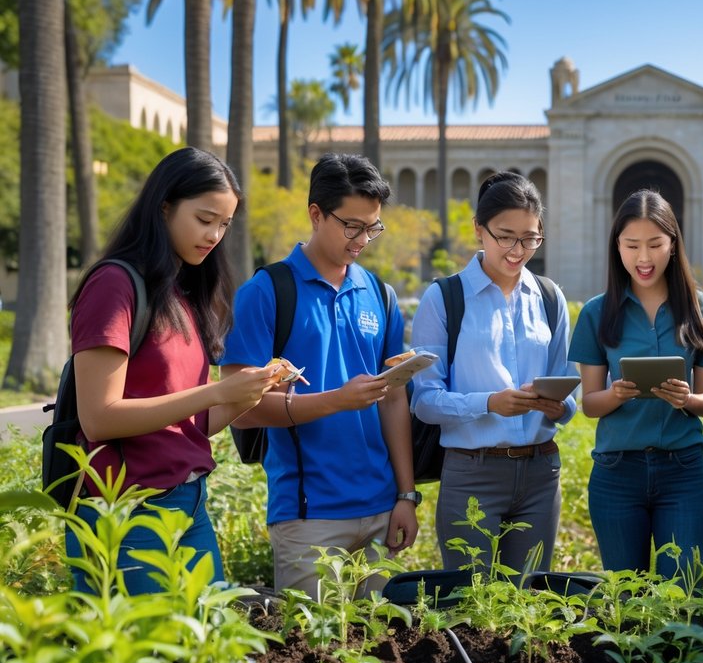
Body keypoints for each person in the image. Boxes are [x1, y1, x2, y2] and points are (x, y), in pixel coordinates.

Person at [66, 147, 279, 594]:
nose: (215, 235)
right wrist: (216, 393)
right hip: (125, 510)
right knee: (143, 659)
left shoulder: (181, 292)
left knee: (204, 653)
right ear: (164, 207)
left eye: (224, 224)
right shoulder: (114, 285)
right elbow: (99, 417)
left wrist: (245, 396)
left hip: (189, 501)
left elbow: (191, 426)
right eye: (204, 220)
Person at [221, 153, 417, 598]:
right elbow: (237, 410)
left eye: (373, 227)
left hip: (382, 511)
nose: (363, 239)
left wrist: (406, 496)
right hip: (308, 516)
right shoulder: (266, 292)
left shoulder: (380, 295)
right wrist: (337, 400)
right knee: (314, 658)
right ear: (315, 214)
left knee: (384, 656)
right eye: (352, 226)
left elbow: (392, 400)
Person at [411, 171, 576, 575]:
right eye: (505, 236)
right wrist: (490, 403)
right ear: (479, 231)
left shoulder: (550, 298)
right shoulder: (444, 298)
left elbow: (569, 394)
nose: (518, 249)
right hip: (472, 474)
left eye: (530, 238)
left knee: (527, 604)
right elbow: (424, 400)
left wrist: (559, 407)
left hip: (541, 472)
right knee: (471, 604)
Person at [569, 190, 703, 579]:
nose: (644, 258)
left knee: (682, 589)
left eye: (656, 244)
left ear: (673, 245)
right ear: (617, 248)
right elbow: (590, 404)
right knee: (626, 594)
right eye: (632, 245)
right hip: (616, 472)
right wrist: (616, 393)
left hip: (682, 470)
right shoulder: (596, 313)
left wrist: (687, 398)